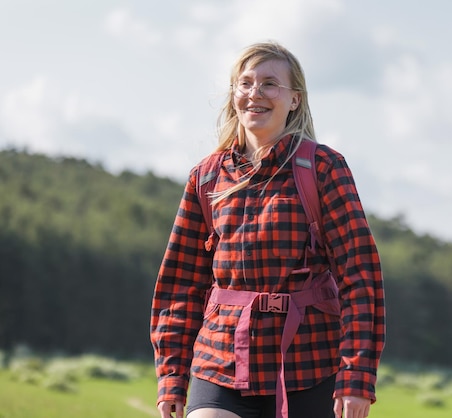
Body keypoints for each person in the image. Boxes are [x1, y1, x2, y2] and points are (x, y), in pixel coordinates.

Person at [150, 41, 385, 418]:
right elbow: (180, 284)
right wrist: (172, 377)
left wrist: (356, 374)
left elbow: (360, 276)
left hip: (310, 365)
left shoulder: (323, 168)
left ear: (295, 99)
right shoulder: (207, 177)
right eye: (245, 84)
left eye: (269, 84)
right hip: (220, 361)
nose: (255, 93)